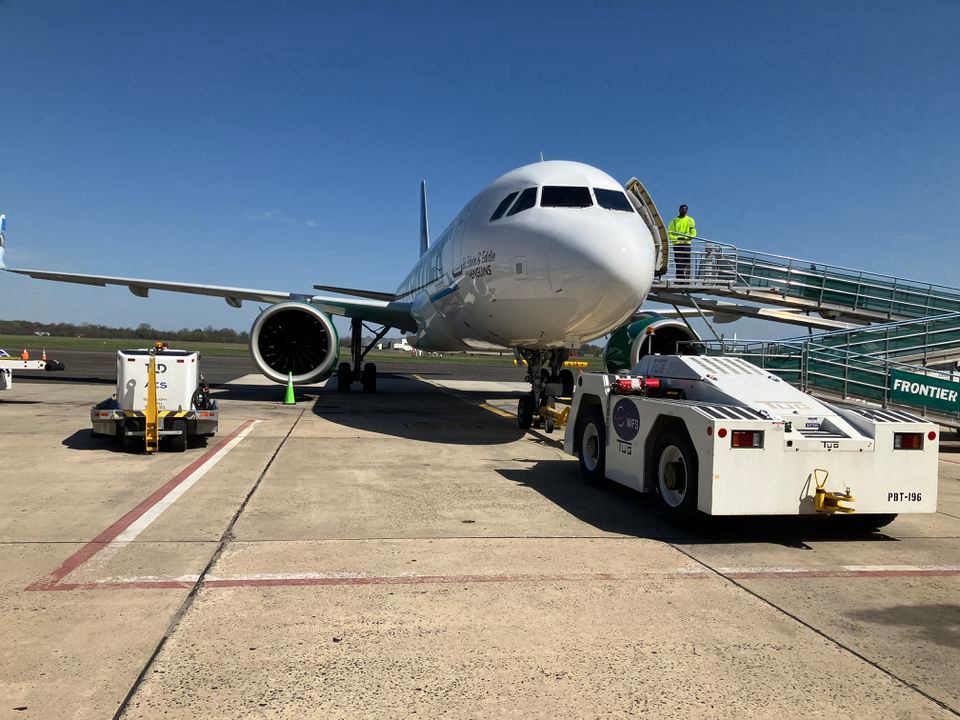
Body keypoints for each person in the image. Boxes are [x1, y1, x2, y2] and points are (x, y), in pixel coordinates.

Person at [668, 204, 696, 280]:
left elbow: (693, 232)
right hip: (677, 244)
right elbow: (669, 234)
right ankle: (680, 279)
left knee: (686, 261)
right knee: (679, 261)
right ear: (679, 210)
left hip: (686, 244)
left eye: (685, 209)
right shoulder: (673, 222)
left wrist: (687, 238)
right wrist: (677, 238)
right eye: (682, 209)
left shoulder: (690, 220)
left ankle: (680, 277)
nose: (684, 211)